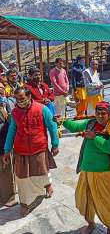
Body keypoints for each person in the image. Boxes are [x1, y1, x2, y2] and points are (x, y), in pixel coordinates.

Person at [2, 87, 59, 215]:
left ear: (29, 97)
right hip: (21, 150)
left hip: (39, 148)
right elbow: (12, 131)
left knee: (41, 173)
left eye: (21, 99)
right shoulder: (15, 113)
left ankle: (47, 186)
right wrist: (7, 150)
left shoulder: (42, 109)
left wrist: (55, 144)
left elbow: (52, 126)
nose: (19, 102)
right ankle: (26, 203)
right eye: (16, 99)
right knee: (22, 178)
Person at [62, 101, 110, 234]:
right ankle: (90, 223)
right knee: (85, 199)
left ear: (109, 115)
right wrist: (62, 120)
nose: (100, 116)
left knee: (106, 202)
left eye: (104, 113)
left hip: (103, 172)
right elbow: (75, 126)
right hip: (86, 169)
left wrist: (94, 137)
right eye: (98, 113)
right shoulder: (90, 123)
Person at [0, 82, 16, 208]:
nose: (2, 92)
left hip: (7, 142)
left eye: (2, 89)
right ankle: (6, 198)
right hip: (2, 144)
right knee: (5, 171)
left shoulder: (6, 103)